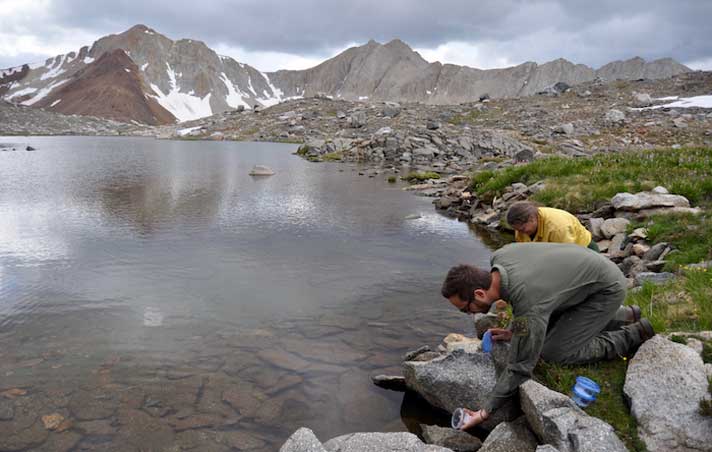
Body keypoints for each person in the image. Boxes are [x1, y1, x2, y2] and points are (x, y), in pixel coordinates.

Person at [440, 242, 654, 429]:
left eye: (465, 308)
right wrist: (513, 331)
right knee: (544, 327)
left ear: (479, 293)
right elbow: (535, 297)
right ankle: (626, 315)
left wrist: (484, 412)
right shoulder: (500, 256)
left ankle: (634, 333)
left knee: (553, 351)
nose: (468, 313)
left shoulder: (527, 299)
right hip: (587, 273)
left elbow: (521, 366)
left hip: (607, 288)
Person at [506, 201, 599, 251]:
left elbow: (569, 256)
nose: (520, 233)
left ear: (532, 219)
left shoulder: (558, 228)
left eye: (522, 229)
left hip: (584, 251)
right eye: (517, 230)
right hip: (551, 253)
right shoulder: (520, 228)